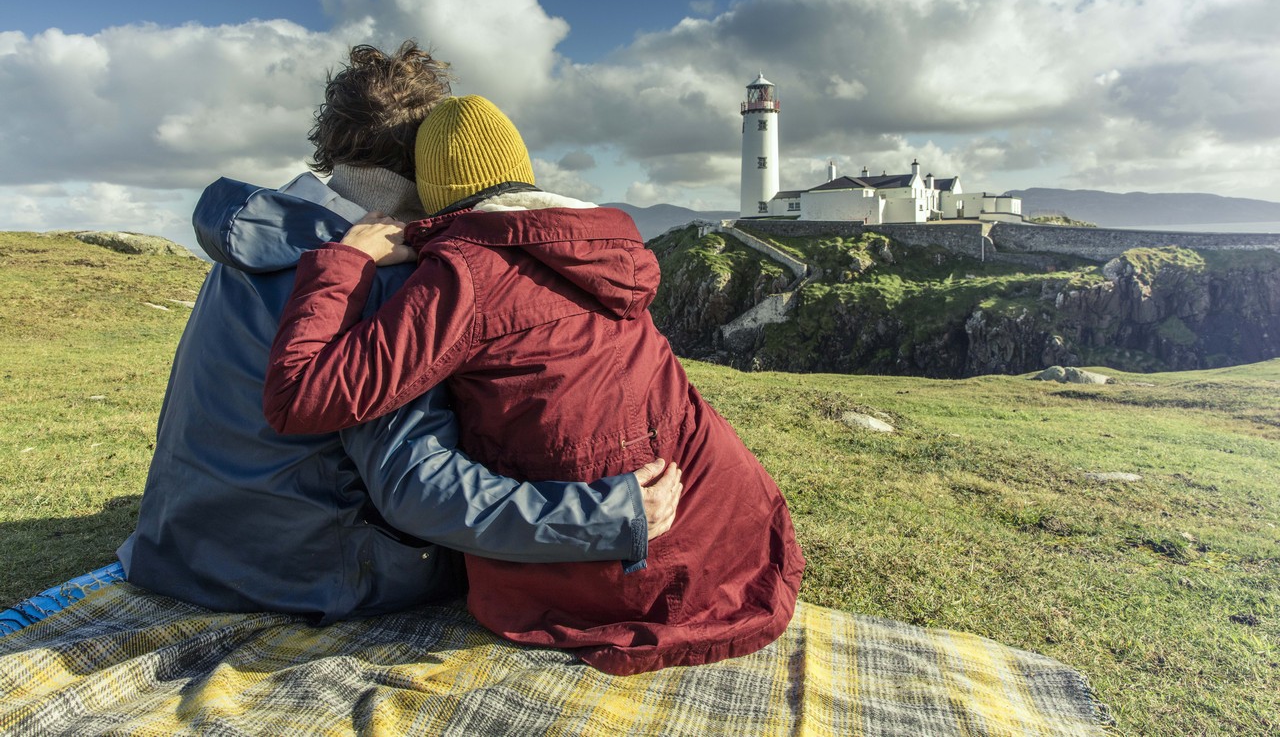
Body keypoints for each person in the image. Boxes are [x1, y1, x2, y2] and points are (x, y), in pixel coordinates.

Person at [119, 44, 681, 623]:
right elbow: (416, 484)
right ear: (431, 166)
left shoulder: (261, 238)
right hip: (307, 577)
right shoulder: (379, 276)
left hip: (182, 546)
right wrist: (602, 516)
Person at [262, 95, 805, 674]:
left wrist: (345, 259)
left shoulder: (464, 275)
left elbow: (301, 397)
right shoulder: (606, 244)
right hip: (730, 524)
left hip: (628, 571)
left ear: (435, 192)